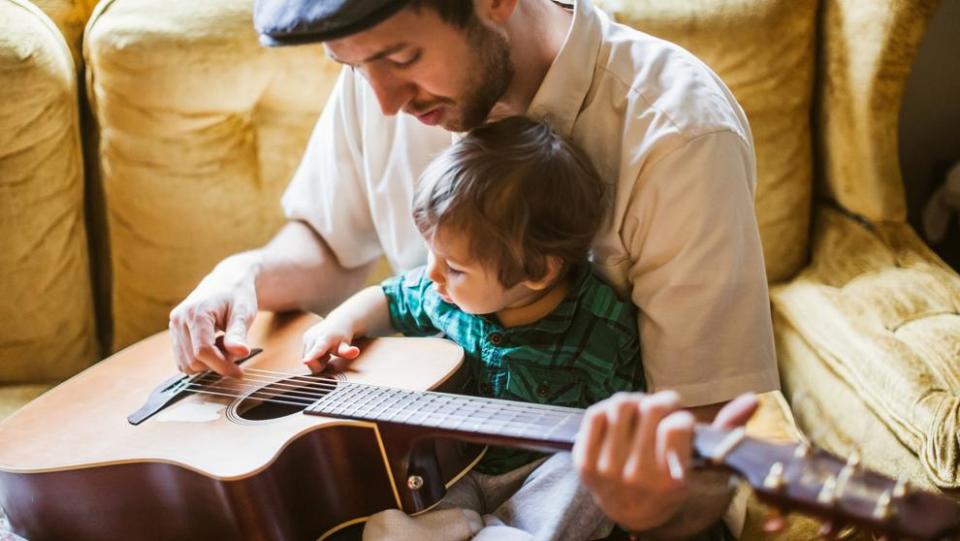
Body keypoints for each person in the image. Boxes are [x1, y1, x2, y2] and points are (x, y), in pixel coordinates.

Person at [169, 0, 779, 536]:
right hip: (436, 469)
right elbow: (330, 245)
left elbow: (704, 454)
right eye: (353, 67)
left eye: (402, 56)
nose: (382, 102)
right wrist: (240, 275)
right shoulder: (380, 81)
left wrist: (645, 504)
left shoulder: (679, 136)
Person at [305, 116, 642, 540]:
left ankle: (506, 532)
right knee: (410, 469)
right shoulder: (440, 295)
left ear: (537, 270)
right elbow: (388, 298)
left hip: (541, 473)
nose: (432, 274)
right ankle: (442, 526)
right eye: (431, 253)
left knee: (589, 472)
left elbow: (630, 427)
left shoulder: (603, 329)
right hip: (457, 465)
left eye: (456, 268)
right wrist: (339, 325)